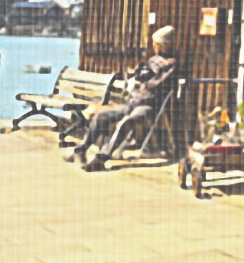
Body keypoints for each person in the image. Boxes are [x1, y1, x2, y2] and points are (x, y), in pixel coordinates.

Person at [70, 26, 185, 171]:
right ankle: (81, 149)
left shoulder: (172, 64)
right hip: (132, 103)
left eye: (156, 43)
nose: (154, 46)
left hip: (149, 106)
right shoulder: (153, 59)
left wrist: (142, 80)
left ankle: (101, 158)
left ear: (164, 44)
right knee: (101, 116)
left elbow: (157, 84)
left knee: (125, 123)